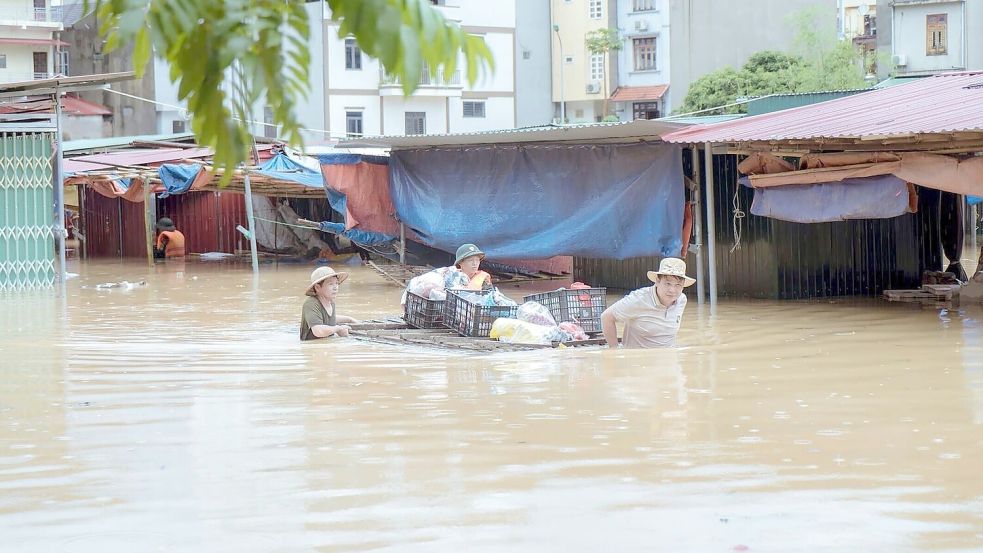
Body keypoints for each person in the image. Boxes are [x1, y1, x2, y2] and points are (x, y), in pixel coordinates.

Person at [601, 257, 695, 349]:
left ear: (683, 286)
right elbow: (606, 317)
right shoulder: (639, 299)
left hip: (668, 358)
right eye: (668, 284)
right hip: (639, 361)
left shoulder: (681, 300)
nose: (672, 290)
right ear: (657, 281)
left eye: (678, 285)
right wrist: (614, 350)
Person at [300, 266, 360, 341]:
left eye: (336, 283)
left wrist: (349, 319)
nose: (335, 288)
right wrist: (338, 328)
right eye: (330, 284)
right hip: (313, 348)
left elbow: (329, 318)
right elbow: (318, 331)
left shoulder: (330, 302)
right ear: (317, 287)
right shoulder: (311, 303)